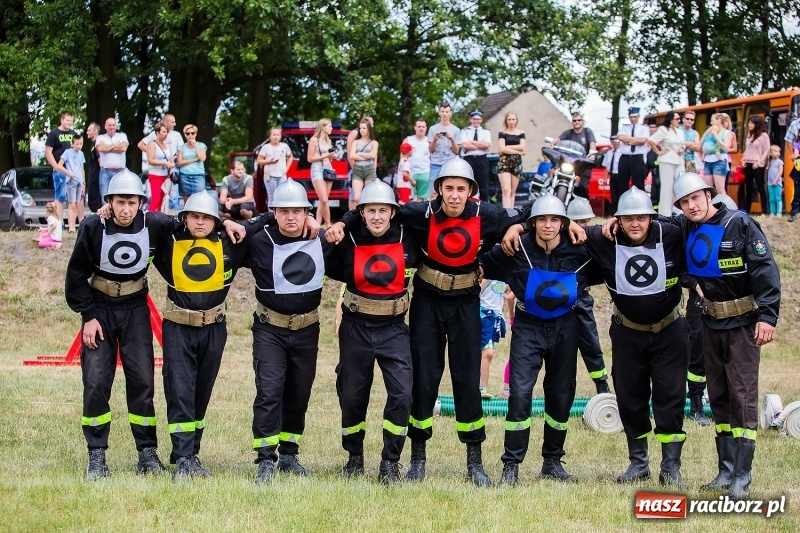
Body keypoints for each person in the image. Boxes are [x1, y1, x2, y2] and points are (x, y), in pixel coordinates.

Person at [327, 157, 525, 486]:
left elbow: (525, 216)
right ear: (439, 190)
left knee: (467, 380)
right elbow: (377, 206)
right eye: (448, 188)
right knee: (423, 379)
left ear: (471, 192)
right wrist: (346, 222)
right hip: (427, 302)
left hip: (465, 304)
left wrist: (514, 228)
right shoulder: (420, 213)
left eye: (462, 189)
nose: (455, 195)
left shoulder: (486, 214)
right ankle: (417, 458)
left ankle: (474, 460)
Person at [65, 170, 180, 480]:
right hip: (99, 308)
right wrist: (88, 316)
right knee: (96, 380)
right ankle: (97, 456)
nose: (126, 209)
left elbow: (192, 221)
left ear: (141, 202)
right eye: (120, 203)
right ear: (109, 203)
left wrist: (232, 222)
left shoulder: (154, 224)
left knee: (142, 380)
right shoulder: (92, 227)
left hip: (135, 309)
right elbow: (75, 276)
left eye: (132, 202)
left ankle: (147, 453)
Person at [671, 172, 780, 500]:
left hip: (744, 324)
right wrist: (693, 284)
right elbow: (680, 263)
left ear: (708, 195)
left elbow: (765, 269)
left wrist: (768, 316)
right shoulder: (686, 227)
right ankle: (726, 471)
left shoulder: (739, 223)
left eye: (695, 198)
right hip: (710, 324)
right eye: (684, 202)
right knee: (718, 396)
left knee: (742, 397)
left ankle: (742, 481)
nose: (691, 206)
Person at [482, 195, 593, 485]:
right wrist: (514, 228)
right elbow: (479, 262)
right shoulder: (516, 247)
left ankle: (553, 461)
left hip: (565, 326)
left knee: (561, 394)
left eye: (555, 219)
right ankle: (511, 464)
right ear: (532, 223)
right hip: (528, 326)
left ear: (564, 223)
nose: (548, 225)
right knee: (519, 393)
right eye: (541, 220)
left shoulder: (581, 247)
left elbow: (613, 241)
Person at [149, 191, 253, 483]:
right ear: (184, 218)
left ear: (215, 220)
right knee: (180, 390)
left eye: (207, 217)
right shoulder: (169, 240)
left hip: (214, 328)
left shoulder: (230, 242)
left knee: (201, 393)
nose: (200, 222)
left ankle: (191, 453)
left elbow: (265, 223)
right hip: (179, 326)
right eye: (194, 216)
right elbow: (149, 219)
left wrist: (227, 223)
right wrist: (106, 210)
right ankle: (181, 458)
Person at [591, 187, 689, 488]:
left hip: (670, 331)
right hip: (627, 333)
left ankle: (671, 466)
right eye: (628, 218)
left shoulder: (671, 234)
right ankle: (639, 462)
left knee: (670, 397)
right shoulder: (603, 240)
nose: (635, 224)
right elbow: (568, 227)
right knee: (630, 397)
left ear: (651, 217)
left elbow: (700, 220)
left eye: (642, 218)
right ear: (618, 220)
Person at [325, 180, 417, 485]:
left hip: (394, 329)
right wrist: (343, 221)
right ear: (361, 212)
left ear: (393, 212)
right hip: (356, 327)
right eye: (370, 210)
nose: (377, 216)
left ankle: (390, 462)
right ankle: (354, 457)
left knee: (402, 393)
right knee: (351, 395)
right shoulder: (347, 238)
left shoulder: (409, 234)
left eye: (383, 210)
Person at [245, 179, 335, 484]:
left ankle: (289, 454)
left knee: (299, 393)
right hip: (270, 328)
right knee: (269, 391)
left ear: (306, 212)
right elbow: (233, 233)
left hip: (307, 329)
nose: (291, 217)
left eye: (298, 211)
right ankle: (265, 459)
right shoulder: (258, 241)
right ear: (274, 212)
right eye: (283, 211)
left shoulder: (320, 241)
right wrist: (265, 218)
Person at [566, 197, 610, 394]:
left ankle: (602, 386)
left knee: (591, 345)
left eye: (586, 221)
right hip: (560, 304)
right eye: (579, 222)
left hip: (582, 300)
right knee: (563, 351)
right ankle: (566, 390)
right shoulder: (559, 242)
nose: (584, 226)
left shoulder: (594, 242)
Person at [647, 111, 686, 214]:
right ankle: (664, 213)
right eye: (677, 119)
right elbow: (651, 140)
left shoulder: (680, 131)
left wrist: (682, 148)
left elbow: (683, 143)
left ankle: (679, 211)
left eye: (679, 119)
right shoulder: (663, 130)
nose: (679, 120)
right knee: (667, 187)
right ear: (671, 120)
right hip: (667, 160)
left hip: (679, 160)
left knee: (680, 185)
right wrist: (659, 151)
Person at [614, 107, 650, 213]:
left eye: (635, 117)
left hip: (637, 158)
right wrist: (635, 140)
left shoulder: (644, 128)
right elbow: (620, 137)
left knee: (638, 184)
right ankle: (621, 209)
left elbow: (643, 140)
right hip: (625, 157)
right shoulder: (625, 127)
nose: (633, 119)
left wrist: (629, 140)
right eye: (631, 117)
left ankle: (641, 208)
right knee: (622, 184)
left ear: (638, 117)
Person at [45, 111, 77, 223]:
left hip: (72, 170)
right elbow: (48, 152)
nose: (69, 123)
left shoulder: (74, 134)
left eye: (71, 121)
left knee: (72, 198)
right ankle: (59, 222)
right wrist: (56, 166)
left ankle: (71, 223)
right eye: (67, 120)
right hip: (60, 171)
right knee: (60, 196)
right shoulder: (54, 134)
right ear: (62, 120)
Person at [306, 118, 338, 227]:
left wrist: (332, 157)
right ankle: (329, 224)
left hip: (328, 168)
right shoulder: (314, 139)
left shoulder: (328, 140)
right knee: (324, 200)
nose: (331, 128)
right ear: (323, 127)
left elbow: (329, 157)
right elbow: (310, 158)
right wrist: (327, 155)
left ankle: (318, 223)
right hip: (317, 169)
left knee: (323, 200)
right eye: (329, 126)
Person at [478, 279, 506, 399]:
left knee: (487, 353)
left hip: (496, 316)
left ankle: (482, 387)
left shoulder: (503, 272)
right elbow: (477, 290)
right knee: (488, 353)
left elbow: (508, 291)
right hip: (484, 314)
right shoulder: (488, 274)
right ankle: (481, 388)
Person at [427, 102, 461, 193]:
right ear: (439, 113)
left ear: (451, 113)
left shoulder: (456, 130)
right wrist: (435, 139)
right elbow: (430, 150)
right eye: (443, 111)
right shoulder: (433, 129)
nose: (445, 114)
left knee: (449, 190)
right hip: (435, 164)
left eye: (447, 112)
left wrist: (452, 140)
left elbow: (457, 151)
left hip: (450, 164)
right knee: (434, 192)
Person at [740, 116, 770, 216]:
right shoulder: (749, 135)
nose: (749, 124)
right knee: (748, 188)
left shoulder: (764, 135)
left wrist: (760, 163)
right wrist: (743, 159)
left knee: (760, 187)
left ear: (756, 124)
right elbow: (747, 150)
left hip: (757, 164)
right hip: (747, 163)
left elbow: (766, 151)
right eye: (749, 122)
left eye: (751, 123)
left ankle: (764, 211)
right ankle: (747, 211)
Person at [56, 134, 86, 233]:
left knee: (77, 204)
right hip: (71, 181)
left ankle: (74, 226)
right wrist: (69, 174)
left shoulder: (81, 154)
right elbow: (59, 165)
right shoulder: (67, 152)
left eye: (81, 144)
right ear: (72, 144)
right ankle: (71, 227)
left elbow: (82, 169)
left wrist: (83, 183)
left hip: (79, 181)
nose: (79, 146)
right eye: (77, 144)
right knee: (71, 204)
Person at [256, 127, 294, 207]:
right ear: (270, 136)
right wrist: (270, 161)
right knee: (272, 197)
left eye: (278, 135)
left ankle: (281, 217)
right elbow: (259, 161)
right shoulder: (266, 147)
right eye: (274, 135)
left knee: (282, 196)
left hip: (282, 175)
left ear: (280, 136)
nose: (276, 136)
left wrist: (286, 169)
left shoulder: (284, 146)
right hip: (270, 176)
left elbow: (290, 157)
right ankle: (272, 217)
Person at [699, 113, 734, 195]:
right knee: (708, 189)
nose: (711, 123)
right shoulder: (710, 132)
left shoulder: (727, 133)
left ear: (718, 120)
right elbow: (700, 145)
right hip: (708, 161)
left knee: (720, 189)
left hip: (719, 162)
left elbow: (726, 148)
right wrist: (706, 133)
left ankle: (724, 207)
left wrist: (716, 137)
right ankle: (711, 207)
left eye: (712, 120)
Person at [461, 110, 492, 202]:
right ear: (471, 119)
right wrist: (480, 145)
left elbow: (486, 145)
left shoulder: (486, 132)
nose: (476, 121)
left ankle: (485, 209)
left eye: (478, 119)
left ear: (481, 120)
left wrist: (473, 142)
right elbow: (465, 145)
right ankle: (468, 206)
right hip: (469, 159)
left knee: (484, 186)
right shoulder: (465, 131)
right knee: (468, 184)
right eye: (474, 119)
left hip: (481, 159)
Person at [95, 117, 129, 201]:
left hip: (120, 172)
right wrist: (116, 145)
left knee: (121, 197)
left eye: (113, 125)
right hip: (105, 172)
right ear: (105, 126)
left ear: (116, 126)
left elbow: (123, 148)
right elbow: (100, 149)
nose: (111, 127)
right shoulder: (100, 137)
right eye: (109, 125)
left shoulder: (122, 136)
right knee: (105, 198)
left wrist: (106, 147)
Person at [497, 111, 526, 208]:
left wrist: (507, 147)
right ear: (506, 120)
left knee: (513, 191)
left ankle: (512, 212)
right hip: (504, 162)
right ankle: (506, 213)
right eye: (509, 119)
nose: (511, 121)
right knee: (506, 190)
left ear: (516, 120)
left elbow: (522, 146)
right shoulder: (502, 133)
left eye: (513, 119)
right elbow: (502, 148)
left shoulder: (521, 132)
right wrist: (519, 151)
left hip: (516, 163)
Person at [145, 122, 174, 213]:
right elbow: (150, 160)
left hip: (166, 176)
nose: (166, 134)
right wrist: (165, 163)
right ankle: (149, 220)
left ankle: (161, 220)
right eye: (164, 132)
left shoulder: (167, 146)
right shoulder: (152, 144)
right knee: (156, 200)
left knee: (164, 201)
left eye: (167, 132)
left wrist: (171, 163)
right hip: (155, 175)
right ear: (157, 132)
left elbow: (170, 159)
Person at [348, 119, 379, 204]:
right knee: (357, 197)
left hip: (369, 170)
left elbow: (373, 155)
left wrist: (359, 154)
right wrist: (366, 156)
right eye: (360, 128)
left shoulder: (374, 142)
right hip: (357, 170)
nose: (361, 130)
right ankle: (361, 216)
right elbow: (352, 156)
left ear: (369, 129)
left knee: (369, 197)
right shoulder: (355, 142)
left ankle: (367, 216)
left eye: (364, 128)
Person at [176, 124, 208, 203]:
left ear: (196, 134)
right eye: (188, 133)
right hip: (185, 175)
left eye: (192, 133)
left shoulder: (201, 145)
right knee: (187, 201)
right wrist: (194, 159)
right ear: (185, 135)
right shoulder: (182, 147)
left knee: (200, 199)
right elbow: (180, 162)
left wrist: (195, 146)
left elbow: (202, 158)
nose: (190, 135)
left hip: (198, 175)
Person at [404, 119, 430, 201]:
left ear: (426, 128)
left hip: (425, 172)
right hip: (410, 172)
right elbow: (403, 156)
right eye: (419, 126)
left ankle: (420, 213)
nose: (421, 128)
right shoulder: (408, 140)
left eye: (423, 127)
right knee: (408, 199)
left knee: (422, 199)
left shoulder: (429, 141)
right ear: (415, 128)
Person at [85, 122, 103, 213]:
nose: (87, 132)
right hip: (93, 174)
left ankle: (97, 219)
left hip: (97, 176)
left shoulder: (98, 143)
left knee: (95, 198)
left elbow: (100, 160)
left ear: (96, 131)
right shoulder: (93, 144)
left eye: (89, 130)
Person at [767, 145, 784, 217]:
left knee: (778, 198)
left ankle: (779, 212)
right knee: (771, 198)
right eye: (775, 151)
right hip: (770, 183)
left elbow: (780, 172)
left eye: (778, 152)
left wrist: (775, 180)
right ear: (770, 153)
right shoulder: (769, 162)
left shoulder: (780, 162)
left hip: (777, 183)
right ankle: (772, 212)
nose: (777, 153)